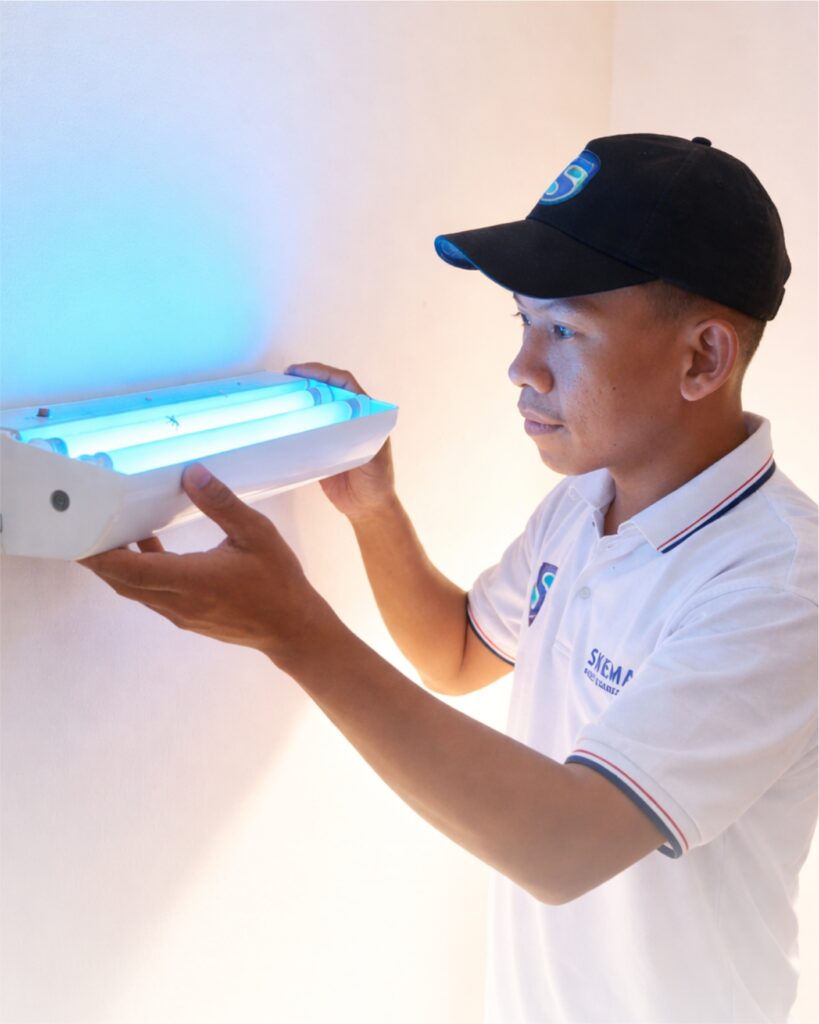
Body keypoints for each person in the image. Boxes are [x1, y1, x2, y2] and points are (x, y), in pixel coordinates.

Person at [81, 133, 817, 1023]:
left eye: (564, 330)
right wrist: (373, 509)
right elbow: (460, 653)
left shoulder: (777, 587)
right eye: (522, 322)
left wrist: (294, 632)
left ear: (702, 358)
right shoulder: (586, 502)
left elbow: (565, 846)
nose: (522, 366)